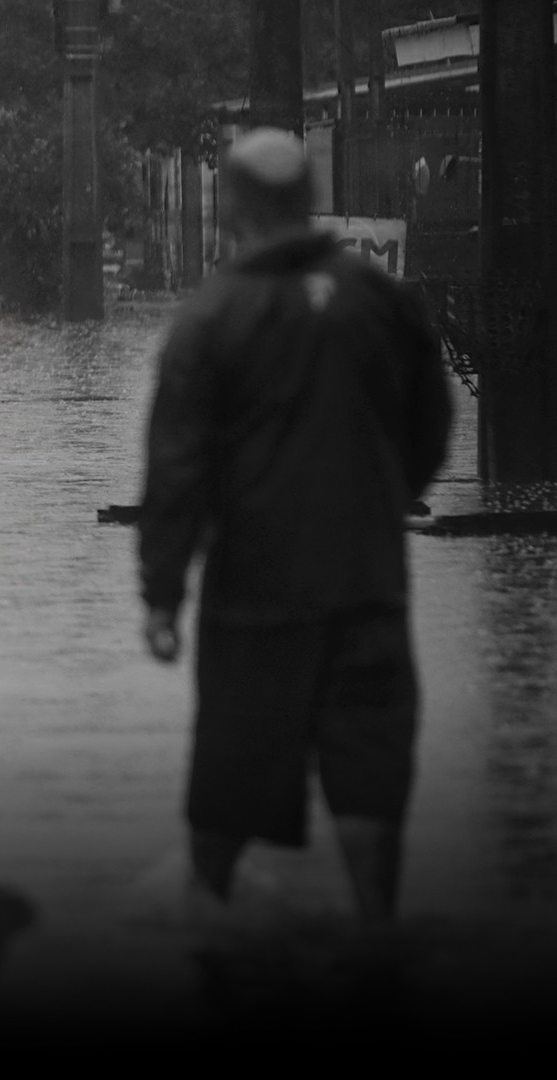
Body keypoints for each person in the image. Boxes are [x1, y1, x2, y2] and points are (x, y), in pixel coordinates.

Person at [137, 128, 451, 924]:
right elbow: (430, 429)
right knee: (369, 769)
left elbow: (176, 471)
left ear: (234, 207)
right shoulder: (383, 301)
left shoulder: (210, 318)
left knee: (232, 777)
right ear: (310, 198)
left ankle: (206, 918)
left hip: (255, 598)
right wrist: (380, 503)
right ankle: (377, 931)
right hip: (368, 584)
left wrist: (163, 596)